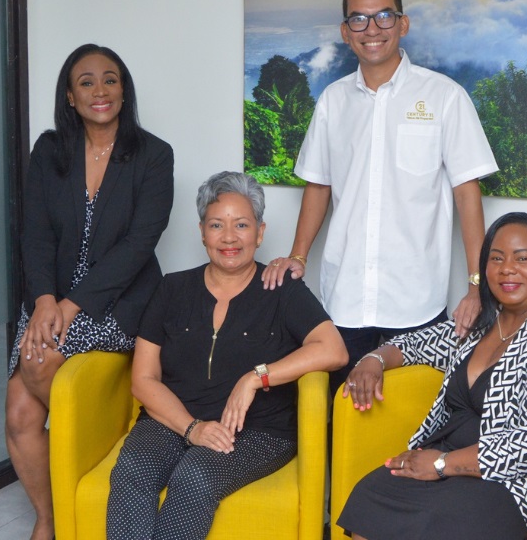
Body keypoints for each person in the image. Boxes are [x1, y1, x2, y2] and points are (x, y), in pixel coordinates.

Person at [262, 0, 499, 395]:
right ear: (345, 31)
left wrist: (476, 285)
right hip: (344, 297)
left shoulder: (445, 97)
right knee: (341, 417)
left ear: (402, 24)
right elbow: (318, 186)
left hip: (416, 299)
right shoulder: (333, 101)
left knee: (411, 422)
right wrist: (299, 255)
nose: (372, 29)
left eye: (383, 16)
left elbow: (467, 194)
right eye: (359, 19)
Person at [106, 171, 348, 540]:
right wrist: (192, 428)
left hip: (257, 432)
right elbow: (143, 378)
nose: (230, 237)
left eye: (242, 225)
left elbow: (333, 349)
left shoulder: (281, 288)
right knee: (133, 470)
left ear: (260, 232)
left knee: (195, 475)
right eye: (217, 225)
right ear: (202, 231)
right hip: (170, 420)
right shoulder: (172, 288)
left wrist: (256, 377)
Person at [336, 212, 527, 540]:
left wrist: (442, 465)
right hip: (442, 458)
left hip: (510, 481)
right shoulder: (484, 321)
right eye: (496, 258)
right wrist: (373, 359)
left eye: (522, 258)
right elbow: (413, 345)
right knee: (371, 494)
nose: (507, 268)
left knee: (437, 522)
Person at [4, 43, 174, 540]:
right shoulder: (49, 150)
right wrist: (43, 301)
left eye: (111, 79)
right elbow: (34, 234)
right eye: (86, 81)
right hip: (48, 297)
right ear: (70, 95)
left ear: (124, 90)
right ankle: (50, 517)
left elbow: (141, 243)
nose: (100, 90)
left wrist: (71, 304)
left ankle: (92, 451)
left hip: (118, 302)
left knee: (36, 369)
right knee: (19, 414)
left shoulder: (153, 154)